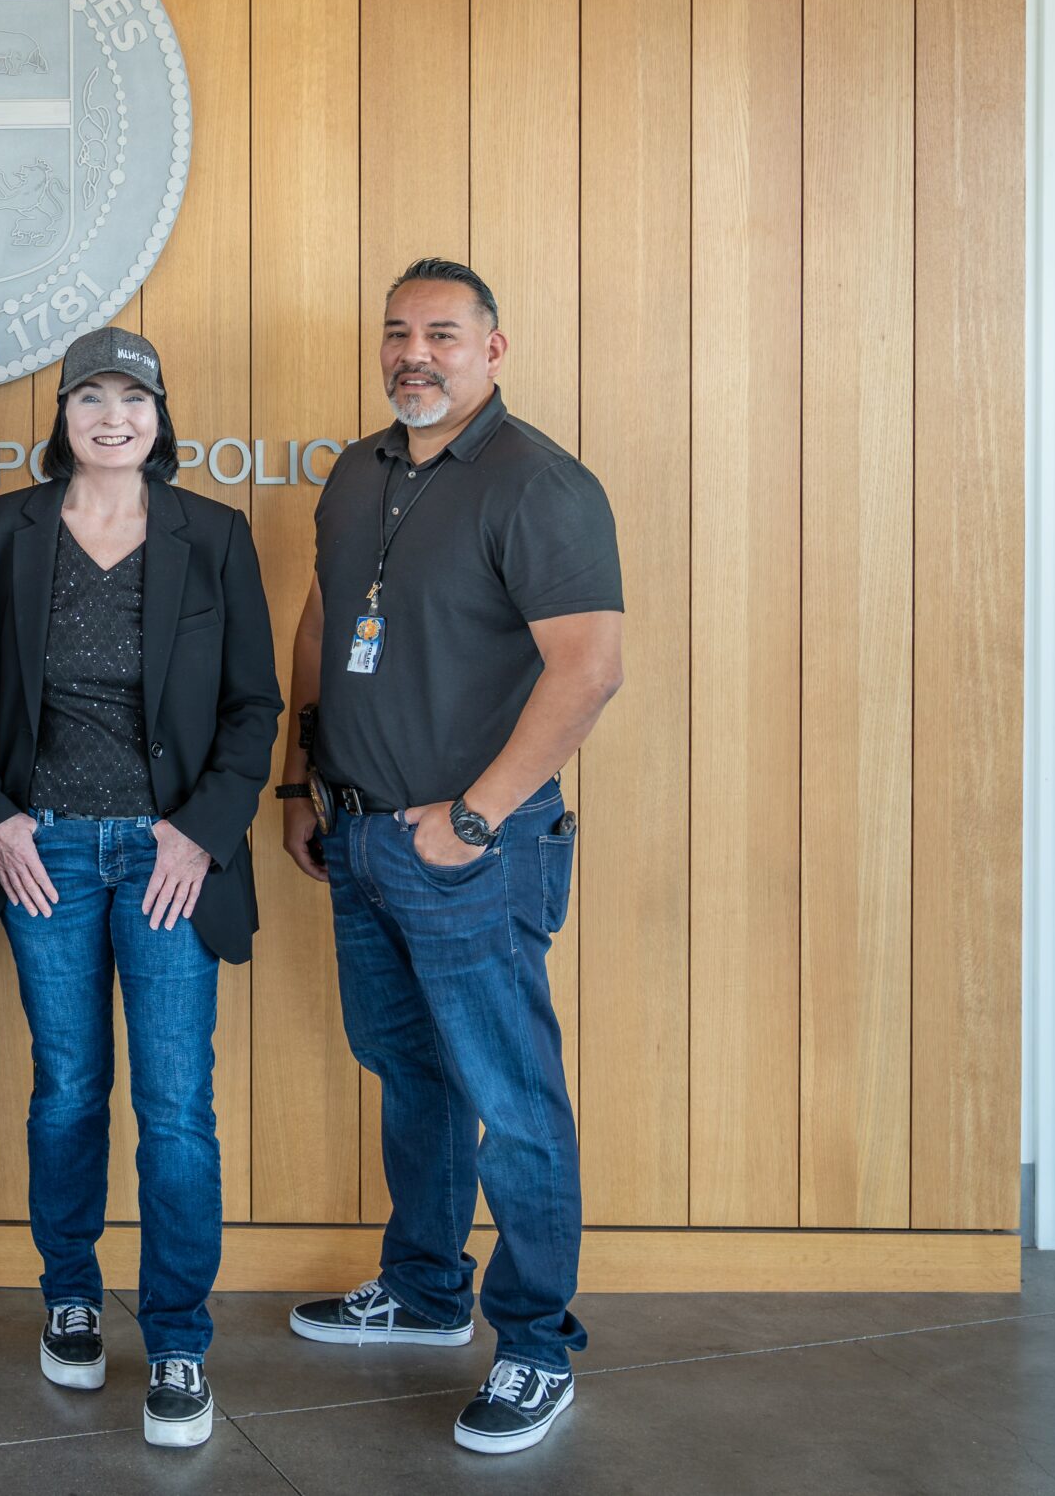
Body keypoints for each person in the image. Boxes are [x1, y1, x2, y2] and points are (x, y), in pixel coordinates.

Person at [279, 258, 623, 1457]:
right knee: (411, 1071)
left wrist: (474, 817)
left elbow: (589, 667)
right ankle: (428, 1289)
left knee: (512, 1098)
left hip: (474, 848)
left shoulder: (540, 483)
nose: (413, 352)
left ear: (493, 348)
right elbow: (323, 621)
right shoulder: (358, 470)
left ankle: (535, 1345)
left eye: (440, 332)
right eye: (397, 332)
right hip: (360, 834)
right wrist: (300, 778)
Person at [0, 327, 283, 1450]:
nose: (112, 418)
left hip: (166, 861)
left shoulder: (215, 533)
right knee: (67, 1088)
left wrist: (201, 834)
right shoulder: (7, 527)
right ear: (62, 416)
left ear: (159, 415)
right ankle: (71, 1293)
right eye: (90, 398)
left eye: (132, 398)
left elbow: (253, 707)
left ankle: (180, 1336)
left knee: (177, 1102)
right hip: (42, 851)